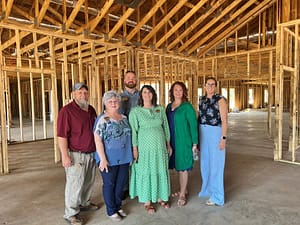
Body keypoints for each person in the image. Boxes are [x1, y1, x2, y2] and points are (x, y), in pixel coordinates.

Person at [57, 82, 99, 225]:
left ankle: (85, 203)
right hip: (76, 155)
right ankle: (71, 214)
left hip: (91, 153)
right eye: (79, 92)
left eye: (85, 92)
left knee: (88, 181)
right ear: (73, 94)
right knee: (75, 184)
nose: (83, 95)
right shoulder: (66, 111)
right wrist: (64, 155)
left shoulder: (91, 110)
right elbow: (62, 135)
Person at [129, 85, 172, 214]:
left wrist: (168, 144)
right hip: (144, 149)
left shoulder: (160, 109)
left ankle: (160, 197)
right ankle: (147, 201)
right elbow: (134, 132)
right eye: (144, 92)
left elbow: (166, 128)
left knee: (159, 170)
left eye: (149, 92)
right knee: (146, 171)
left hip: (159, 149)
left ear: (153, 94)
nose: (147, 94)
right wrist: (135, 149)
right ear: (141, 95)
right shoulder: (135, 112)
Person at [93, 90, 133, 222]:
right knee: (109, 184)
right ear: (105, 103)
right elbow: (98, 140)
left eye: (115, 101)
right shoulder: (102, 119)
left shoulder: (124, 118)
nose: (113, 103)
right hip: (108, 159)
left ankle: (117, 206)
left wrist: (131, 154)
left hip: (124, 157)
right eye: (110, 101)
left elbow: (129, 137)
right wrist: (102, 159)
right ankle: (111, 210)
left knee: (120, 184)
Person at [166, 81, 198, 207]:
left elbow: (193, 126)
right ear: (172, 92)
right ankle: (182, 189)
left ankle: (183, 194)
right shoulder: (169, 106)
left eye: (180, 90)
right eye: (175, 90)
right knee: (176, 166)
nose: (178, 92)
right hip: (171, 140)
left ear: (184, 92)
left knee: (183, 168)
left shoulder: (187, 107)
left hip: (184, 141)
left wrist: (194, 143)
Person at [198, 77, 228, 206]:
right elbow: (200, 117)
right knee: (205, 163)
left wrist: (223, 138)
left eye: (212, 84)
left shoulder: (220, 100)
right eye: (208, 84)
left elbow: (225, 121)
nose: (210, 86)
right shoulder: (202, 100)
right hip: (203, 132)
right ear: (204, 86)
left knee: (216, 165)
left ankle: (218, 197)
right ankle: (207, 189)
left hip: (215, 132)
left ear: (215, 86)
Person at [119, 71, 139, 200]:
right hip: (124, 134)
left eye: (133, 78)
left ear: (136, 80)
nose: (130, 80)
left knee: (139, 161)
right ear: (124, 80)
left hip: (140, 133)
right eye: (128, 78)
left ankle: (138, 187)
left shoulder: (142, 95)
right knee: (125, 162)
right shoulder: (119, 97)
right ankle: (125, 188)